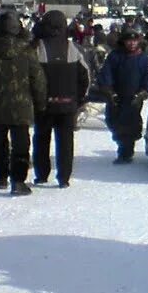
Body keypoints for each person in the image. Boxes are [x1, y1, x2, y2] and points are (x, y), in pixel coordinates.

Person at [0, 10, 47, 195]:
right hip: (22, 106)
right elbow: (38, 80)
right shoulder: (28, 51)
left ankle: (0, 178)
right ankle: (18, 182)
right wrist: (41, 104)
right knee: (21, 144)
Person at [32, 10, 91, 188]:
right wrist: (79, 99)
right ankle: (64, 177)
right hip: (67, 105)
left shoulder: (37, 48)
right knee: (65, 142)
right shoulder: (73, 49)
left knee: (41, 139)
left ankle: (41, 174)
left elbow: (29, 76)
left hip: (43, 105)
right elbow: (85, 76)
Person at [99, 28, 148, 164]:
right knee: (113, 121)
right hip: (116, 97)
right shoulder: (115, 56)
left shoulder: (143, 59)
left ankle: (126, 152)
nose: (131, 44)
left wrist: (143, 93)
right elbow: (106, 74)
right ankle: (123, 146)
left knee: (129, 124)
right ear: (123, 42)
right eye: (129, 41)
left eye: (134, 41)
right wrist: (109, 91)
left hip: (134, 98)